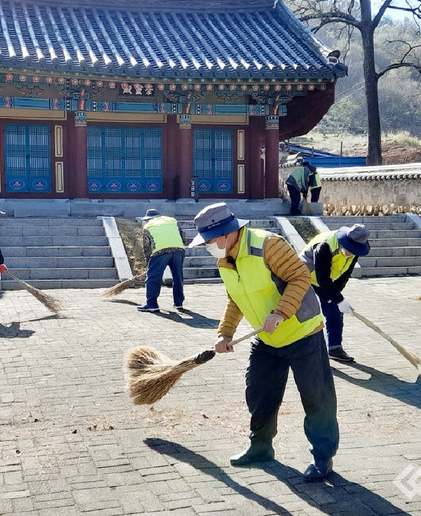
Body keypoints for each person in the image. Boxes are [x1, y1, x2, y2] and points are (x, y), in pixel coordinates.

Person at [189, 202, 338, 482]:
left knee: (316, 398)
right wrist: (225, 333)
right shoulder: (224, 259)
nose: (208, 246)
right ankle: (260, 447)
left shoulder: (268, 245)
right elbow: (235, 299)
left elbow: (300, 277)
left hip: (302, 333)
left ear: (225, 233)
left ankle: (322, 458)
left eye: (209, 240)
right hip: (267, 338)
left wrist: (280, 312)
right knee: (259, 393)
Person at [300, 224, 370, 363]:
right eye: (350, 249)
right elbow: (322, 278)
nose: (352, 253)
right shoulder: (324, 247)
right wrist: (339, 300)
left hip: (325, 281)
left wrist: (337, 298)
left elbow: (345, 275)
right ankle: (304, 351)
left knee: (334, 311)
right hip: (305, 276)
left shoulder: (356, 250)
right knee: (307, 314)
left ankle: (334, 348)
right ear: (344, 242)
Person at [137, 209, 186, 312]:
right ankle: (179, 303)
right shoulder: (172, 220)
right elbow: (183, 235)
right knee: (178, 276)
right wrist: (179, 246)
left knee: (153, 278)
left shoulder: (148, 226)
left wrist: (148, 261)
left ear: (148, 218)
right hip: (179, 249)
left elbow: (146, 246)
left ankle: (152, 304)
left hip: (160, 251)